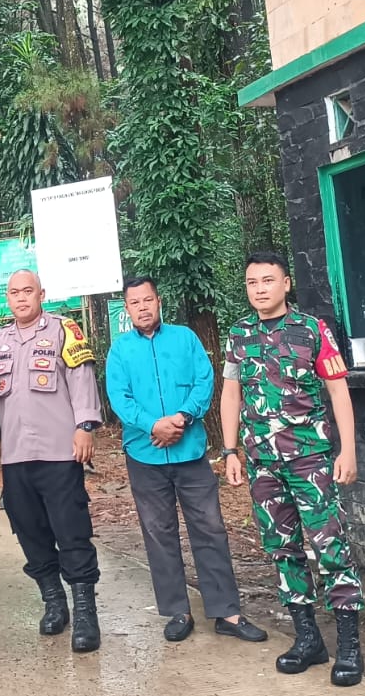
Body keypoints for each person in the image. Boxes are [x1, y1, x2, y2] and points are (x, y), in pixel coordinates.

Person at [221, 250, 365, 686]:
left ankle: (349, 647)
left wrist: (348, 451)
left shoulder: (312, 330)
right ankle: (307, 639)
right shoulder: (239, 334)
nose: (259, 289)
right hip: (263, 464)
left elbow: (338, 392)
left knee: (330, 547)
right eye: (251, 282)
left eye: (267, 280)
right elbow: (231, 393)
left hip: (310, 461)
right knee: (282, 549)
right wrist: (230, 451)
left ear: (286, 284)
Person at [104, 275, 267, 646]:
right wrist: (153, 425)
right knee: (159, 534)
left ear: (158, 301)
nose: (143, 308)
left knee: (210, 528)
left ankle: (227, 611)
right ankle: (178, 610)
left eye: (148, 300)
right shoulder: (120, 351)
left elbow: (204, 381)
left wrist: (181, 418)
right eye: (135, 303)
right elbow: (120, 397)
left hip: (190, 451)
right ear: (127, 309)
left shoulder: (185, 339)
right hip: (144, 455)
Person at [0, 269, 104, 652]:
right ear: (7, 299)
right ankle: (54, 602)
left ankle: (85, 611)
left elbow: (82, 379)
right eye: (14, 293)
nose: (21, 298)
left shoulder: (63, 330)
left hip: (59, 453)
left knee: (71, 530)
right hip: (16, 457)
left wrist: (85, 425)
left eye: (28, 291)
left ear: (42, 294)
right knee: (30, 531)